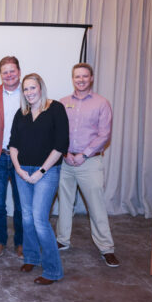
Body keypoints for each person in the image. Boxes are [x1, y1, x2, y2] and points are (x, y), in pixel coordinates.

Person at [56, 63, 119, 267]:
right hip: (66, 161)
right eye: (77, 76)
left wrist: (84, 154)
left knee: (96, 205)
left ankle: (106, 248)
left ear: (91, 78)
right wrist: (65, 153)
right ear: (72, 78)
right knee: (64, 203)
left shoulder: (101, 103)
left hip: (89, 162)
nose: (81, 80)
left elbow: (104, 135)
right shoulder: (62, 103)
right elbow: (57, 131)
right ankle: (62, 240)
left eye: (84, 76)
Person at [9, 73, 68, 285]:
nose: (29, 92)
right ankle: (32, 257)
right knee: (26, 217)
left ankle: (53, 270)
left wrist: (40, 172)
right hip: (22, 171)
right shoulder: (21, 113)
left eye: (32, 88)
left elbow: (61, 145)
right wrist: (19, 169)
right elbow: (13, 144)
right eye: (25, 89)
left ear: (41, 88)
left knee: (40, 220)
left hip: (47, 172)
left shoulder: (56, 109)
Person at [0, 56, 23, 258]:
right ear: (0, 74)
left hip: (22, 158)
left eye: (12, 71)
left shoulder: (29, 93)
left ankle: (21, 242)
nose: (9, 75)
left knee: (21, 203)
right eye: (5, 71)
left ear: (19, 71)